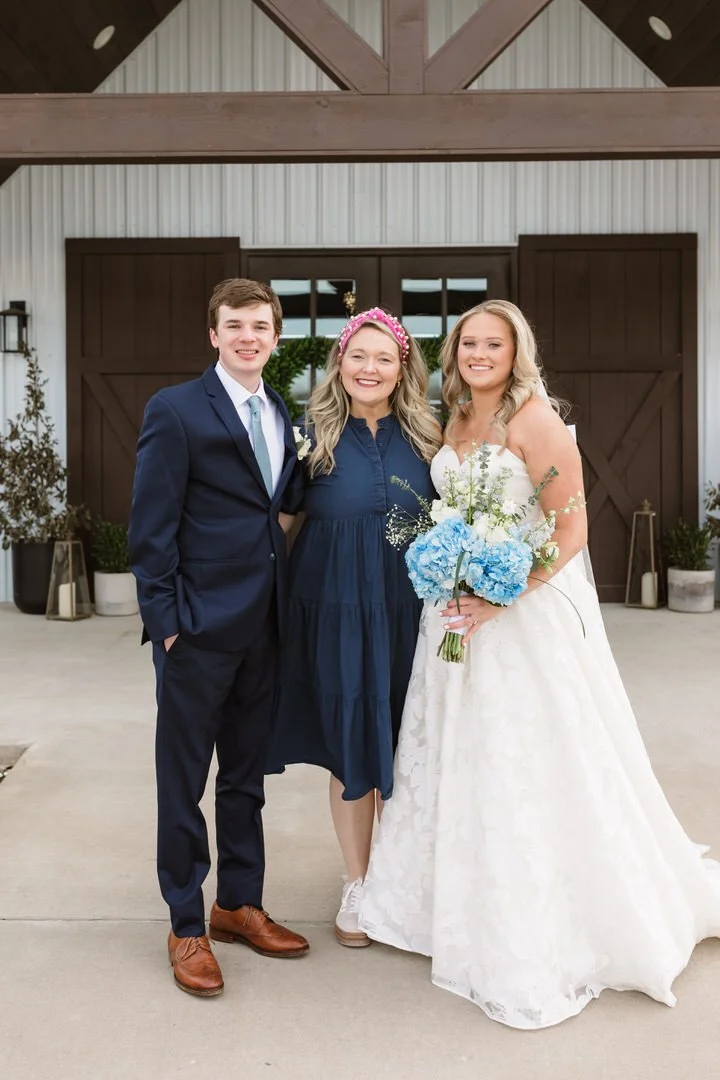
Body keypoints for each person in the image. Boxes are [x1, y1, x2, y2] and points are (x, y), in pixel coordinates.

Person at [359, 299, 720, 1028]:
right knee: (457, 757)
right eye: (468, 343)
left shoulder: (536, 420)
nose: (478, 354)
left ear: (515, 351)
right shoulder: (453, 419)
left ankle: (529, 919)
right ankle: (447, 904)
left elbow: (572, 524)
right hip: (452, 617)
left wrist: (502, 593)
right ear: (455, 351)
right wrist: (451, 576)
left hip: (519, 619)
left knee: (523, 760)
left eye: (493, 344)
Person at [129, 278, 310, 998]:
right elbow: (150, 529)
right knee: (183, 783)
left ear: (274, 336)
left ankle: (237, 904)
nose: (247, 336)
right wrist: (168, 626)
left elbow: (283, 508)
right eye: (234, 324)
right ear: (213, 334)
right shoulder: (174, 410)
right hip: (197, 632)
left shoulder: (280, 411)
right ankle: (185, 923)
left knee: (245, 778)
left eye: (260, 326)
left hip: (264, 626)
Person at [268, 308, 441, 948]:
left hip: (408, 608)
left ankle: (403, 878)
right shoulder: (310, 436)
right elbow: (282, 524)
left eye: (384, 358)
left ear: (402, 370)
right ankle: (359, 882)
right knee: (350, 741)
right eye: (358, 356)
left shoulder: (430, 438)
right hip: (334, 607)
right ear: (340, 363)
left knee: (407, 737)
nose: (370, 368)